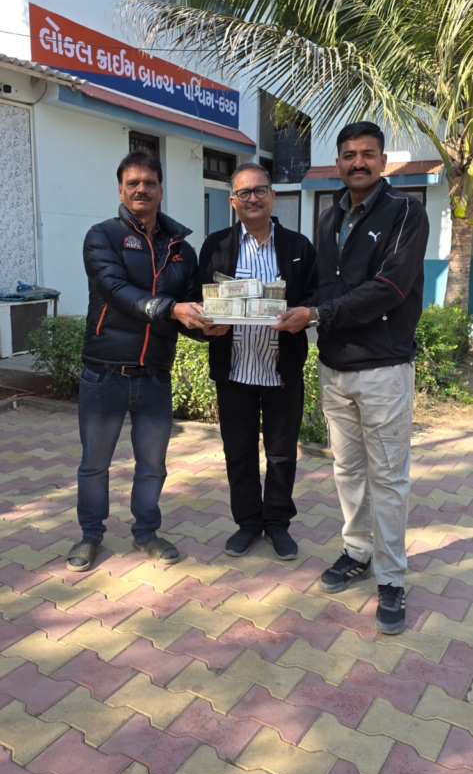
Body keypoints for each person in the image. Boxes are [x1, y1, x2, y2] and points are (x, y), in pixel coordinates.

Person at [276, 121, 429, 634]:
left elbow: (390, 287)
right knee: (347, 469)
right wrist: (277, 308)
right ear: (338, 162)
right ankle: (357, 551)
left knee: (388, 478)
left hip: (383, 368)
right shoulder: (329, 216)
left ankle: (391, 578)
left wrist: (316, 315)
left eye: (367, 154)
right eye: (348, 154)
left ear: (383, 161)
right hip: (334, 367)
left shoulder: (406, 211)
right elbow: (325, 287)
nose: (357, 162)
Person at [67, 150, 227, 573]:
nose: (142, 189)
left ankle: (146, 532)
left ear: (160, 188)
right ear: (121, 190)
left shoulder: (181, 249)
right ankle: (90, 534)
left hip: (155, 376)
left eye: (149, 182)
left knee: (153, 465)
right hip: (104, 373)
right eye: (133, 183)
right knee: (95, 464)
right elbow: (116, 290)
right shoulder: (102, 236)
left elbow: (185, 309)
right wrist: (173, 309)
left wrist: (206, 328)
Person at [198, 163, 318, 561]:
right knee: (239, 452)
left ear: (273, 195)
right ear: (233, 201)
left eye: (260, 190)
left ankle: (278, 524)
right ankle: (248, 523)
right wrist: (207, 326)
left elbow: (316, 296)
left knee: (282, 454)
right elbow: (201, 301)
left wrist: (304, 315)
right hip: (234, 371)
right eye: (244, 192)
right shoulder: (216, 245)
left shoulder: (298, 247)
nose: (253, 198)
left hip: (281, 370)